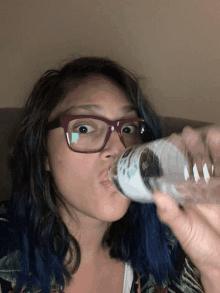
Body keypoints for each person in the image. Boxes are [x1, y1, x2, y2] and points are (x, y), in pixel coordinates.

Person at [0, 56, 220, 293]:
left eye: (128, 128)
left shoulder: (172, 245)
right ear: (43, 152)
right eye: (84, 128)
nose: (119, 148)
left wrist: (214, 271)